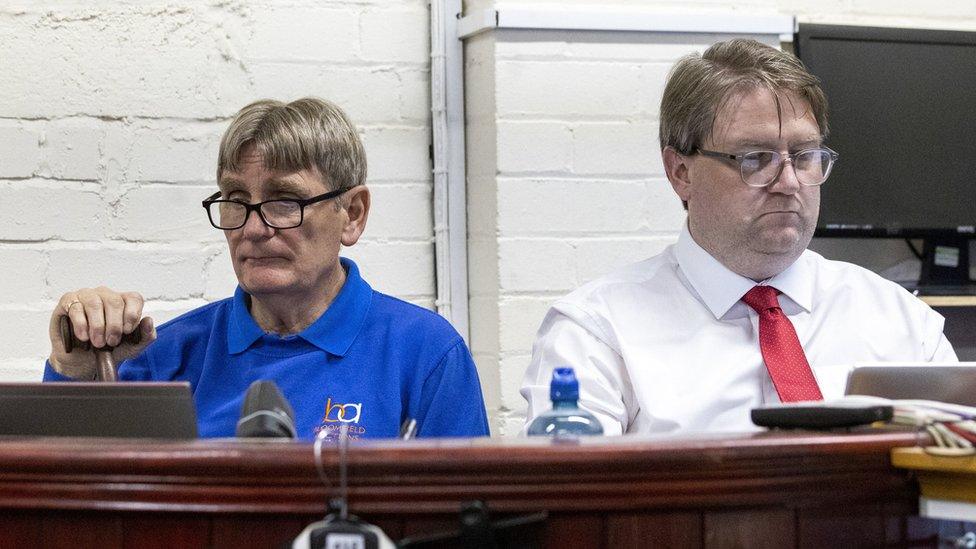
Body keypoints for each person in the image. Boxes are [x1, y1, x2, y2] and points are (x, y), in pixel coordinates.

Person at [521, 39, 957, 436]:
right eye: (755, 158)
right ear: (681, 172)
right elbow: (573, 504)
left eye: (804, 156)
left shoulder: (901, 321)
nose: (788, 182)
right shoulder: (598, 332)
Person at [44, 97, 490, 440]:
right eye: (236, 200)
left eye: (284, 201)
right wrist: (78, 374)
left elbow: (465, 524)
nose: (254, 228)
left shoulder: (425, 355)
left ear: (351, 214)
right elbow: (60, 507)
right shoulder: (162, 360)